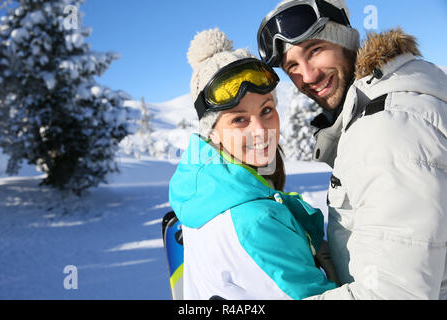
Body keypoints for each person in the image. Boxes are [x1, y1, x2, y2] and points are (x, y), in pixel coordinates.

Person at [257, 0, 447, 299]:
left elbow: (393, 294)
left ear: (345, 39)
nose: (307, 76)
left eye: (315, 50)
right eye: (292, 65)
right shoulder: (384, 110)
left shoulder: (385, 126)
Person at [169, 28, 338, 300]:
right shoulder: (254, 221)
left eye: (267, 110)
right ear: (211, 131)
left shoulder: (203, 192)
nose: (261, 130)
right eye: (239, 119)